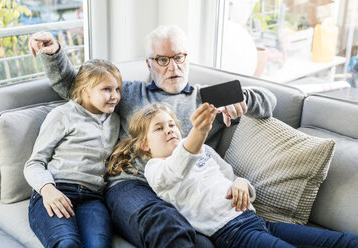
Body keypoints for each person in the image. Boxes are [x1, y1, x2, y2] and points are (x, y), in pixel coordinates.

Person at [29, 25, 276, 248]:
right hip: (131, 185)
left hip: (188, 192)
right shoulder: (129, 93)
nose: (173, 67)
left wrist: (241, 98)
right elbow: (78, 89)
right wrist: (54, 53)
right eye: (162, 60)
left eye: (179, 57)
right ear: (149, 64)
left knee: (203, 241)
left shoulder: (207, 98)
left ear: (187, 58)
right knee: (163, 224)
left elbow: (270, 100)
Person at [110, 102, 358, 248]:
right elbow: (180, 164)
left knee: (340, 241)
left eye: (172, 124)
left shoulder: (204, 149)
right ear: (144, 144)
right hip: (232, 233)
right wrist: (199, 131)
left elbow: (232, 176)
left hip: (258, 220)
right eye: (159, 128)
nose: (169, 130)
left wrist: (242, 184)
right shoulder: (157, 169)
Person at [24, 59, 122, 248]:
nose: (115, 96)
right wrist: (48, 190)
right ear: (86, 91)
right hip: (57, 189)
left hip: (93, 198)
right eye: (107, 89)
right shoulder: (62, 115)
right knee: (67, 243)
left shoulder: (115, 119)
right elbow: (33, 163)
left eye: (118, 89)